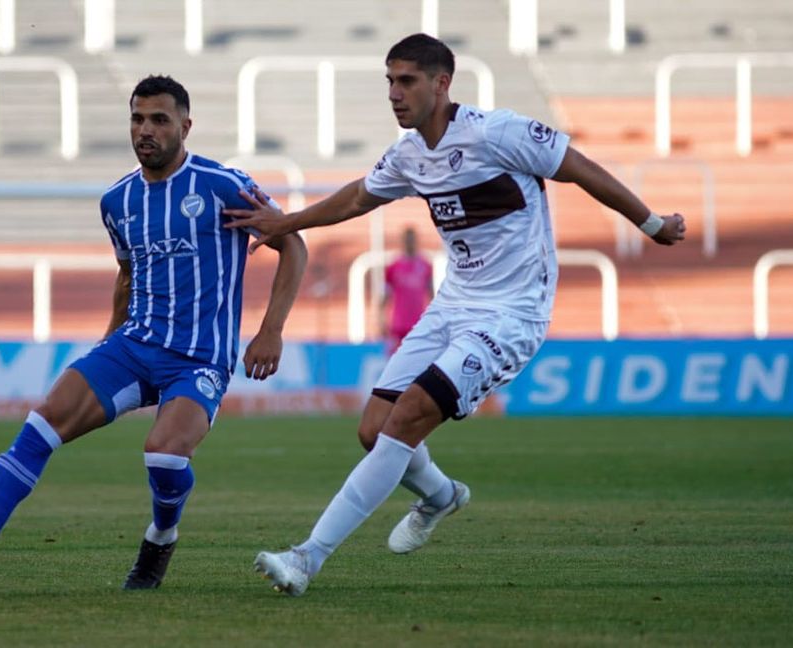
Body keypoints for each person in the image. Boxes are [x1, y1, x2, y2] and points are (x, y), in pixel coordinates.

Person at [223, 33, 686, 596]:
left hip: (511, 314)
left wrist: (652, 223)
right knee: (373, 429)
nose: (395, 93)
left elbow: (580, 167)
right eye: (389, 81)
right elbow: (356, 198)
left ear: (442, 83)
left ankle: (306, 558)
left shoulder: (498, 133)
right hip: (454, 305)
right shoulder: (410, 155)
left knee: (409, 416)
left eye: (407, 81)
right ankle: (442, 496)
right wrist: (287, 222)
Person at [0, 75, 307, 591]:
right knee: (42, 423)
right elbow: (127, 275)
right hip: (133, 346)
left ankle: (161, 536)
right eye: (137, 118)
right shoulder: (117, 201)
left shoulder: (221, 184)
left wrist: (270, 331)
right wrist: (107, 343)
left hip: (199, 358)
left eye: (159, 120)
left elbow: (292, 244)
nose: (146, 130)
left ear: (185, 126)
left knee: (163, 454)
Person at [383, 226, 433, 354]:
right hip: (398, 325)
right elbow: (385, 297)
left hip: (418, 324)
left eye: (412, 240)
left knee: (417, 361)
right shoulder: (393, 266)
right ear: (402, 241)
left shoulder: (425, 265)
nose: (409, 242)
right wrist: (382, 321)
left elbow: (431, 295)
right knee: (395, 361)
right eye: (407, 240)